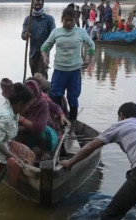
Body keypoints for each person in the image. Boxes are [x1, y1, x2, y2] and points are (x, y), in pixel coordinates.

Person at [60, 102, 136, 220]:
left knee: (110, 215)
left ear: (121, 116)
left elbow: (90, 147)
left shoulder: (120, 125)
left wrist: (70, 162)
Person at [41, 7, 95, 137]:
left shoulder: (80, 32)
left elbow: (91, 45)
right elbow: (45, 46)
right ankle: (57, 123)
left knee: (73, 99)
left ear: (75, 21)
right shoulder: (56, 32)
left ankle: (72, 128)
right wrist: (45, 56)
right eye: (66, 20)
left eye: (72, 21)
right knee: (56, 96)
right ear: (62, 20)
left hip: (74, 72)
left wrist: (90, 58)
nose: (69, 23)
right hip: (59, 71)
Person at [18, 79, 59, 161]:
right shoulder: (20, 103)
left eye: (34, 98)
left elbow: (39, 127)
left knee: (42, 131)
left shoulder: (43, 104)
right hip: (29, 135)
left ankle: (44, 152)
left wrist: (21, 119)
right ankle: (25, 151)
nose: (32, 102)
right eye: (30, 98)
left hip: (47, 137)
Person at [21, 0, 56, 79]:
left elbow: (54, 34)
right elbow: (23, 36)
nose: (37, 5)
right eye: (35, 3)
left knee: (42, 77)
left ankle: (44, 91)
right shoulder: (28, 19)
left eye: (39, 3)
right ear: (32, 4)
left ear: (43, 3)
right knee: (34, 76)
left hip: (44, 53)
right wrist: (26, 35)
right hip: (32, 53)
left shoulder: (49, 19)